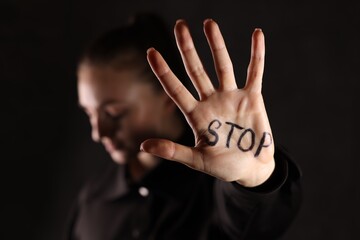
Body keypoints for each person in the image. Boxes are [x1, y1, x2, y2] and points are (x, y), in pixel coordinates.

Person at [66, 13, 302, 240]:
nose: (98, 133)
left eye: (113, 113)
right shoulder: (92, 201)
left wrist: (255, 180)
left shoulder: (215, 190)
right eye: (89, 113)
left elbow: (253, 226)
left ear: (168, 97)